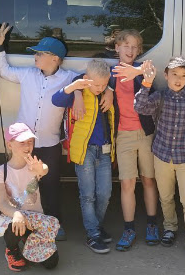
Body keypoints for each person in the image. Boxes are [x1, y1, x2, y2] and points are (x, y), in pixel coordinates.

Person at [0, 22, 80, 241]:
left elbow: (92, 79)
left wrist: (92, 91)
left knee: (50, 186)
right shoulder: (28, 74)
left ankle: (54, 224)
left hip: (49, 143)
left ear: (55, 59)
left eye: (40, 53)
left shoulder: (68, 78)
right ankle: (20, 223)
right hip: (24, 144)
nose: (35, 57)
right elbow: (2, 70)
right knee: (23, 186)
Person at [134, 57, 185, 259]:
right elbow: (140, 107)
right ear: (166, 76)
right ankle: (170, 228)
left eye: (183, 76)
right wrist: (146, 83)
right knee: (166, 197)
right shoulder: (160, 97)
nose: (178, 79)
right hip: (162, 156)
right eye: (174, 74)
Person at [52, 59, 115, 254]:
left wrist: (110, 90)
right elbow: (56, 99)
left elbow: (116, 83)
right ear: (86, 79)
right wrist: (75, 89)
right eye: (97, 84)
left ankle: (95, 226)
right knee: (87, 195)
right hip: (84, 151)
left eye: (104, 84)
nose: (100, 88)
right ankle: (93, 234)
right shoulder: (78, 92)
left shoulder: (107, 92)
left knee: (104, 194)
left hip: (104, 150)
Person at [109, 29, 161, 250]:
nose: (130, 50)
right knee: (127, 182)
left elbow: (152, 73)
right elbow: (85, 78)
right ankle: (129, 228)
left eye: (134, 47)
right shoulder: (111, 72)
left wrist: (137, 71)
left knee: (149, 179)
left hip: (145, 134)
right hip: (123, 135)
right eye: (125, 45)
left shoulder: (143, 71)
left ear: (139, 50)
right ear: (117, 48)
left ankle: (151, 224)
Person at [0, 123, 59, 272]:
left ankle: (28, 239)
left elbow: (44, 170)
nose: (27, 145)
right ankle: (12, 249)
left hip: (35, 219)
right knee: (14, 226)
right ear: (10, 145)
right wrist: (17, 214)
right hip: (14, 218)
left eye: (30, 141)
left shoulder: (33, 165)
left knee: (51, 263)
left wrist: (40, 169)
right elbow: (2, 203)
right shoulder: (0, 171)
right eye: (22, 142)